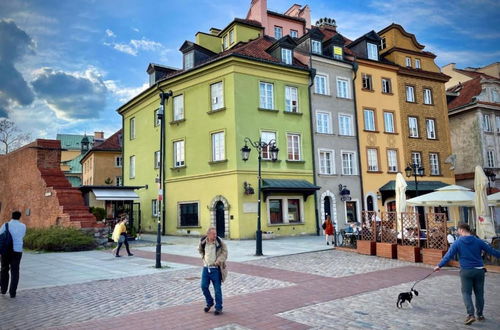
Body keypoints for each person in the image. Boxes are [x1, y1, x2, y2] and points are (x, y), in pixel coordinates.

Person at [434, 223, 500, 325]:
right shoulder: (478, 241)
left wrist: (439, 265)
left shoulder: (457, 242)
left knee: (466, 293)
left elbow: (449, 255)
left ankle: (470, 314)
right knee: (479, 294)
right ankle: (480, 315)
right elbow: (492, 251)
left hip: (466, 271)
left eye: (457, 230)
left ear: (461, 230)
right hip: (479, 270)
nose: (457, 232)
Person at [198, 227, 228, 315]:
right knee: (203, 286)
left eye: (215, 233)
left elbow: (225, 252)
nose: (215, 235)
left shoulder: (219, 242)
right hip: (206, 268)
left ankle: (218, 307)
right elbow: (200, 250)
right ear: (208, 234)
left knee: (217, 289)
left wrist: (219, 261)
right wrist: (203, 258)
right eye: (213, 234)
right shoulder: (203, 242)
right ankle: (210, 302)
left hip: (216, 269)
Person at [0, 211, 26, 298]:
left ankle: (3, 290)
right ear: (19, 217)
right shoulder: (23, 226)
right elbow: (22, 235)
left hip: (6, 251)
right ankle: (12, 293)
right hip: (17, 250)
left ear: (12, 216)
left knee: (4, 269)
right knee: (15, 271)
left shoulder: (6, 225)